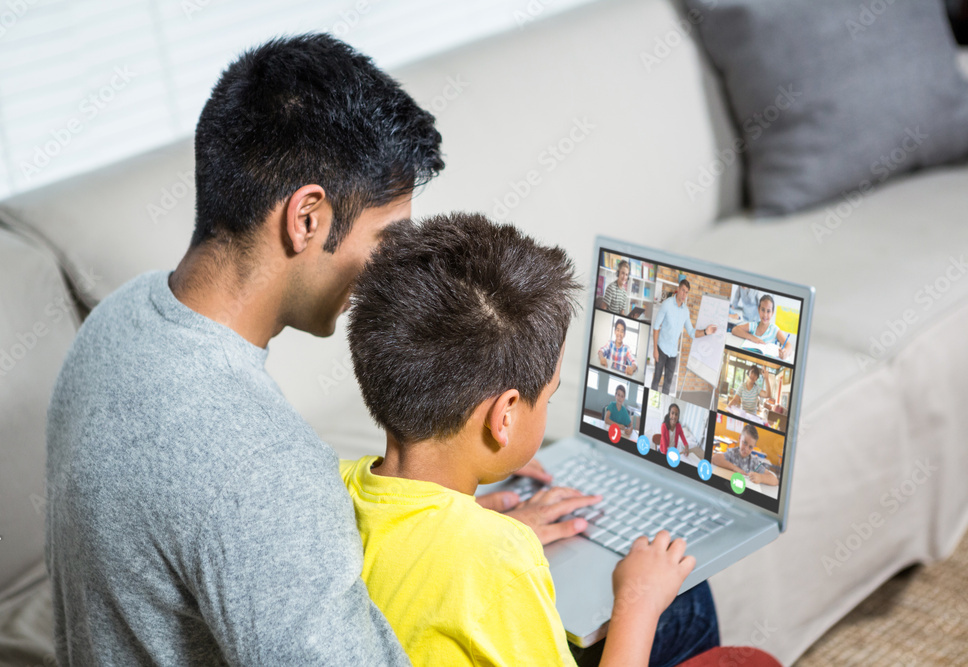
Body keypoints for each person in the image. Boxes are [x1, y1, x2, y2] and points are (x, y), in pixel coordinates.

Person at [44, 35, 584, 666]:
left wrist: (455, 543)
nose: (394, 266)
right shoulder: (263, 469)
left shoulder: (118, 318)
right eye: (388, 236)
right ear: (306, 218)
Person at [341, 213, 718, 667]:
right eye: (549, 398)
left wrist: (476, 524)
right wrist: (636, 604)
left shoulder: (338, 486)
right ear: (503, 418)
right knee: (689, 602)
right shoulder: (502, 562)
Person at [651, 279, 718, 394]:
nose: (684, 295)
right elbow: (656, 327)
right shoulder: (666, 304)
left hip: (673, 354)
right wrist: (655, 350)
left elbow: (692, 332)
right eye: (683, 291)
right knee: (656, 380)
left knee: (667, 385)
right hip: (661, 349)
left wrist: (706, 332)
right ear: (678, 289)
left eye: (686, 292)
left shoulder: (685, 311)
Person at [730, 294, 794, 361]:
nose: (765, 314)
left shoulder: (774, 329)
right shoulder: (754, 325)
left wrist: (785, 353)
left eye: (768, 311)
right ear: (758, 309)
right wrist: (752, 338)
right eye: (763, 310)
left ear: (772, 313)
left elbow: (789, 346)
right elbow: (735, 329)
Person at [712, 425, 778, 486]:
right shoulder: (732, 453)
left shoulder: (753, 462)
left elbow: (775, 481)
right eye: (745, 443)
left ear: (753, 447)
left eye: (750, 447)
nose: (746, 449)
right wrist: (734, 468)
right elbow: (714, 458)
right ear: (740, 438)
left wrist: (761, 478)